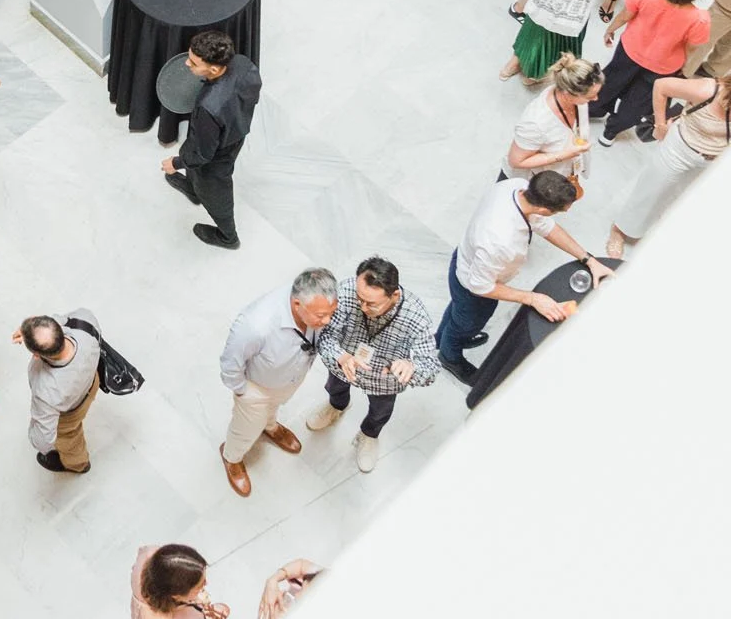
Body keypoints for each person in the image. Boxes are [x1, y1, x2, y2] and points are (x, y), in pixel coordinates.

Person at [435, 170, 608, 385]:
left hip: (466, 259)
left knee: (457, 313)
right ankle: (449, 356)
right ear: (544, 209)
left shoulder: (516, 186)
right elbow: (479, 287)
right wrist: (533, 298)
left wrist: (588, 259)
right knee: (466, 323)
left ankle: (441, 338)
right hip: (473, 285)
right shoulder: (500, 240)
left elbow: (548, 228)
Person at [306, 257, 439, 473]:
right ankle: (336, 407)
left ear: (394, 295)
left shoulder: (415, 315)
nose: (363, 307)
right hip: (346, 364)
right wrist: (341, 357)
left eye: (371, 303)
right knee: (334, 389)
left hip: (384, 379)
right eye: (360, 299)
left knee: (380, 411)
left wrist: (412, 366)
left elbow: (431, 368)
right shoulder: (347, 292)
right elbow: (325, 335)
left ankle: (368, 435)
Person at [217, 268, 338, 497]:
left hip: (286, 381)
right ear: (296, 305)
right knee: (245, 427)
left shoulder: (316, 306)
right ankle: (231, 456)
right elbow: (230, 364)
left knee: (273, 408)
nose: (327, 321)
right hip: (256, 388)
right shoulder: (255, 324)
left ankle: (269, 426)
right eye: (321, 316)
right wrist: (243, 392)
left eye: (331, 313)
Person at [606, 68, 731, 254]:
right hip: (679, 151)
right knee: (649, 193)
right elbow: (661, 86)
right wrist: (660, 126)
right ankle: (620, 230)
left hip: (710, 161)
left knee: (677, 198)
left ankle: (649, 228)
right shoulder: (707, 90)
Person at [160, 28, 262, 250]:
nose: (187, 64)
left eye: (194, 63)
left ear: (214, 69)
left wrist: (176, 163)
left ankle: (228, 237)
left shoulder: (209, 107)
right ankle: (194, 190)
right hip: (236, 133)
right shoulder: (245, 65)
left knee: (216, 192)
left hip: (217, 156)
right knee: (199, 174)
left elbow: (202, 153)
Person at [593, 0, 710, 140]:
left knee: (611, 81)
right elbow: (691, 48)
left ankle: (595, 108)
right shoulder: (700, 19)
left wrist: (611, 29)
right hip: (663, 66)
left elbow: (625, 15)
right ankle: (610, 132)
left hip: (630, 50)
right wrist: (683, 66)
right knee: (637, 103)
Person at [17, 308, 104, 476]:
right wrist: (34, 331)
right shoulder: (85, 323)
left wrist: (34, 434)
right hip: (91, 382)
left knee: (69, 439)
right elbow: (64, 320)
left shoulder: (46, 391)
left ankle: (78, 464)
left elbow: (43, 441)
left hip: (70, 413)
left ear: (36, 355)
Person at [503, 54, 604, 182]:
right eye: (590, 96)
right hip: (531, 182)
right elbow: (516, 161)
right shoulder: (535, 123)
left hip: (558, 171)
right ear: (568, 93)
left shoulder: (574, 99)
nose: (595, 99)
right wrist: (565, 155)